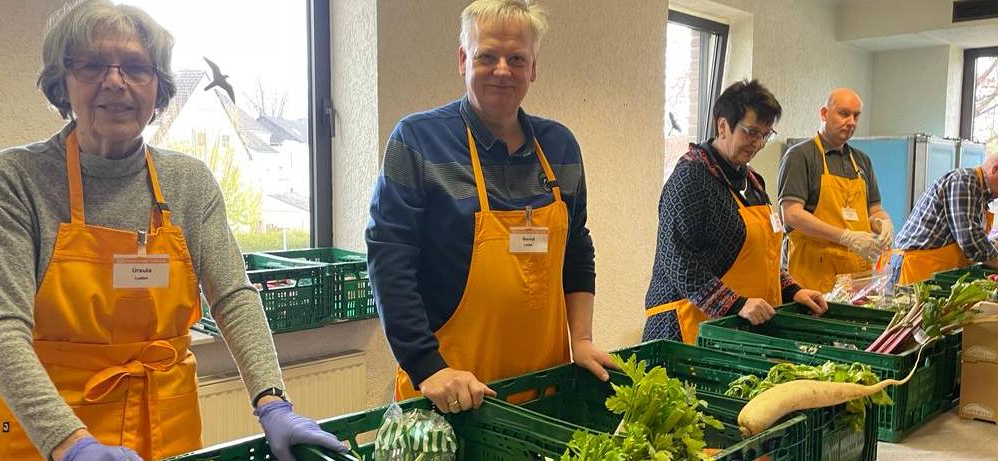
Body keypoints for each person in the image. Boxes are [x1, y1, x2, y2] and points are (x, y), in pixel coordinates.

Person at [0, 2, 346, 460]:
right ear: (62, 83)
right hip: (45, 437)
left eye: (136, 67)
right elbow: (0, 330)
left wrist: (272, 401)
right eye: (92, 65)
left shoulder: (187, 183)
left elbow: (233, 297)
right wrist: (71, 446)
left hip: (165, 428)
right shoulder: (16, 179)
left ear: (158, 89)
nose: (116, 81)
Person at [366, 0, 613, 414]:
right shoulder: (417, 141)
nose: (503, 70)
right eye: (487, 56)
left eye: (517, 58)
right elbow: (389, 258)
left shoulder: (561, 147)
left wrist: (582, 340)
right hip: (452, 395)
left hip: (545, 390)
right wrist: (427, 367)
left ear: (533, 68)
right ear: (463, 60)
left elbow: (577, 247)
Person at [643, 80, 828, 343]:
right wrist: (734, 304)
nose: (758, 143)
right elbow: (677, 259)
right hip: (685, 329)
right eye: (751, 132)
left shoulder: (752, 181)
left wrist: (793, 290)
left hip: (737, 329)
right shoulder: (691, 177)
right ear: (722, 126)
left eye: (766, 134)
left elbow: (763, 254)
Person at [778, 88, 894, 292]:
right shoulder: (800, 156)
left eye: (856, 116)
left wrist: (884, 223)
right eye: (844, 113)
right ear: (824, 113)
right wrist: (846, 237)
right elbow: (792, 215)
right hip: (815, 279)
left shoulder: (862, 161)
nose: (851, 122)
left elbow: (875, 209)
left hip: (858, 281)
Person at [891, 155, 998, 284]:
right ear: (995, 170)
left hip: (937, 271)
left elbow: (976, 239)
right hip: (915, 269)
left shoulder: (982, 196)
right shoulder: (964, 181)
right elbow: (971, 241)